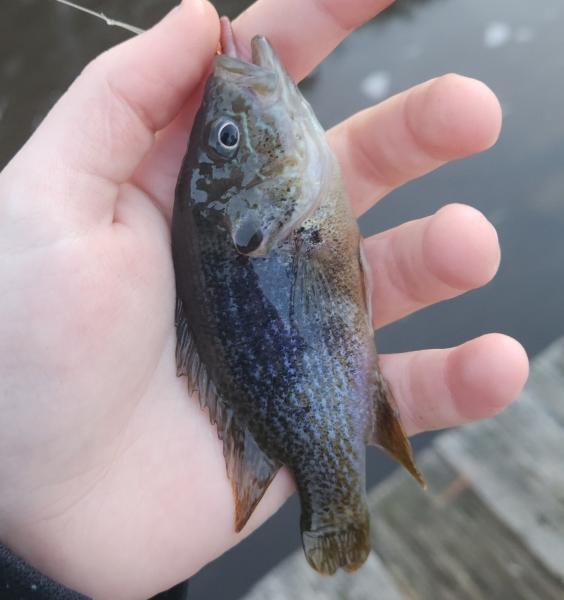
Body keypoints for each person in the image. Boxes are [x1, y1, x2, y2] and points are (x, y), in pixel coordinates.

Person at [0, 0, 529, 598]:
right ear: (252, 221)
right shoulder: (282, 211)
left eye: (226, 135)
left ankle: (334, 495)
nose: (234, 123)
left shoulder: (283, 211)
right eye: (230, 137)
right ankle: (333, 502)